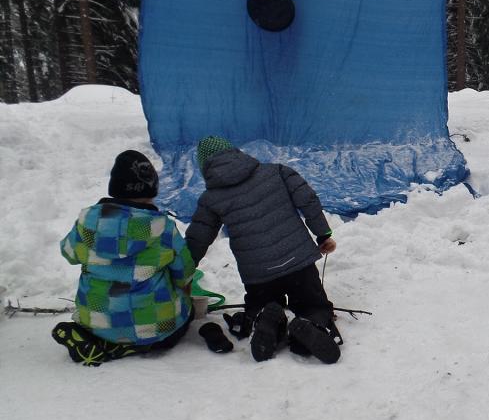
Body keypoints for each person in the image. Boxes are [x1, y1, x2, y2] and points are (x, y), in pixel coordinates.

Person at [184, 136, 342, 364]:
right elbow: (308, 200)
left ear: (204, 168)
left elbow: (198, 237)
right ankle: (313, 324)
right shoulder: (277, 171)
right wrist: (323, 234)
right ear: (237, 153)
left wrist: (184, 271)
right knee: (312, 304)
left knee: (261, 306)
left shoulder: (210, 199)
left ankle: (266, 322)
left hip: (259, 274)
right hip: (298, 263)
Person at [52, 150, 197, 366]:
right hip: (155, 328)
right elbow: (184, 272)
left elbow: (69, 253)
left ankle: (100, 339)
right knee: (183, 319)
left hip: (96, 322)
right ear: (152, 190)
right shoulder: (161, 228)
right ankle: (132, 345)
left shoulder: (88, 221)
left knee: (101, 315)